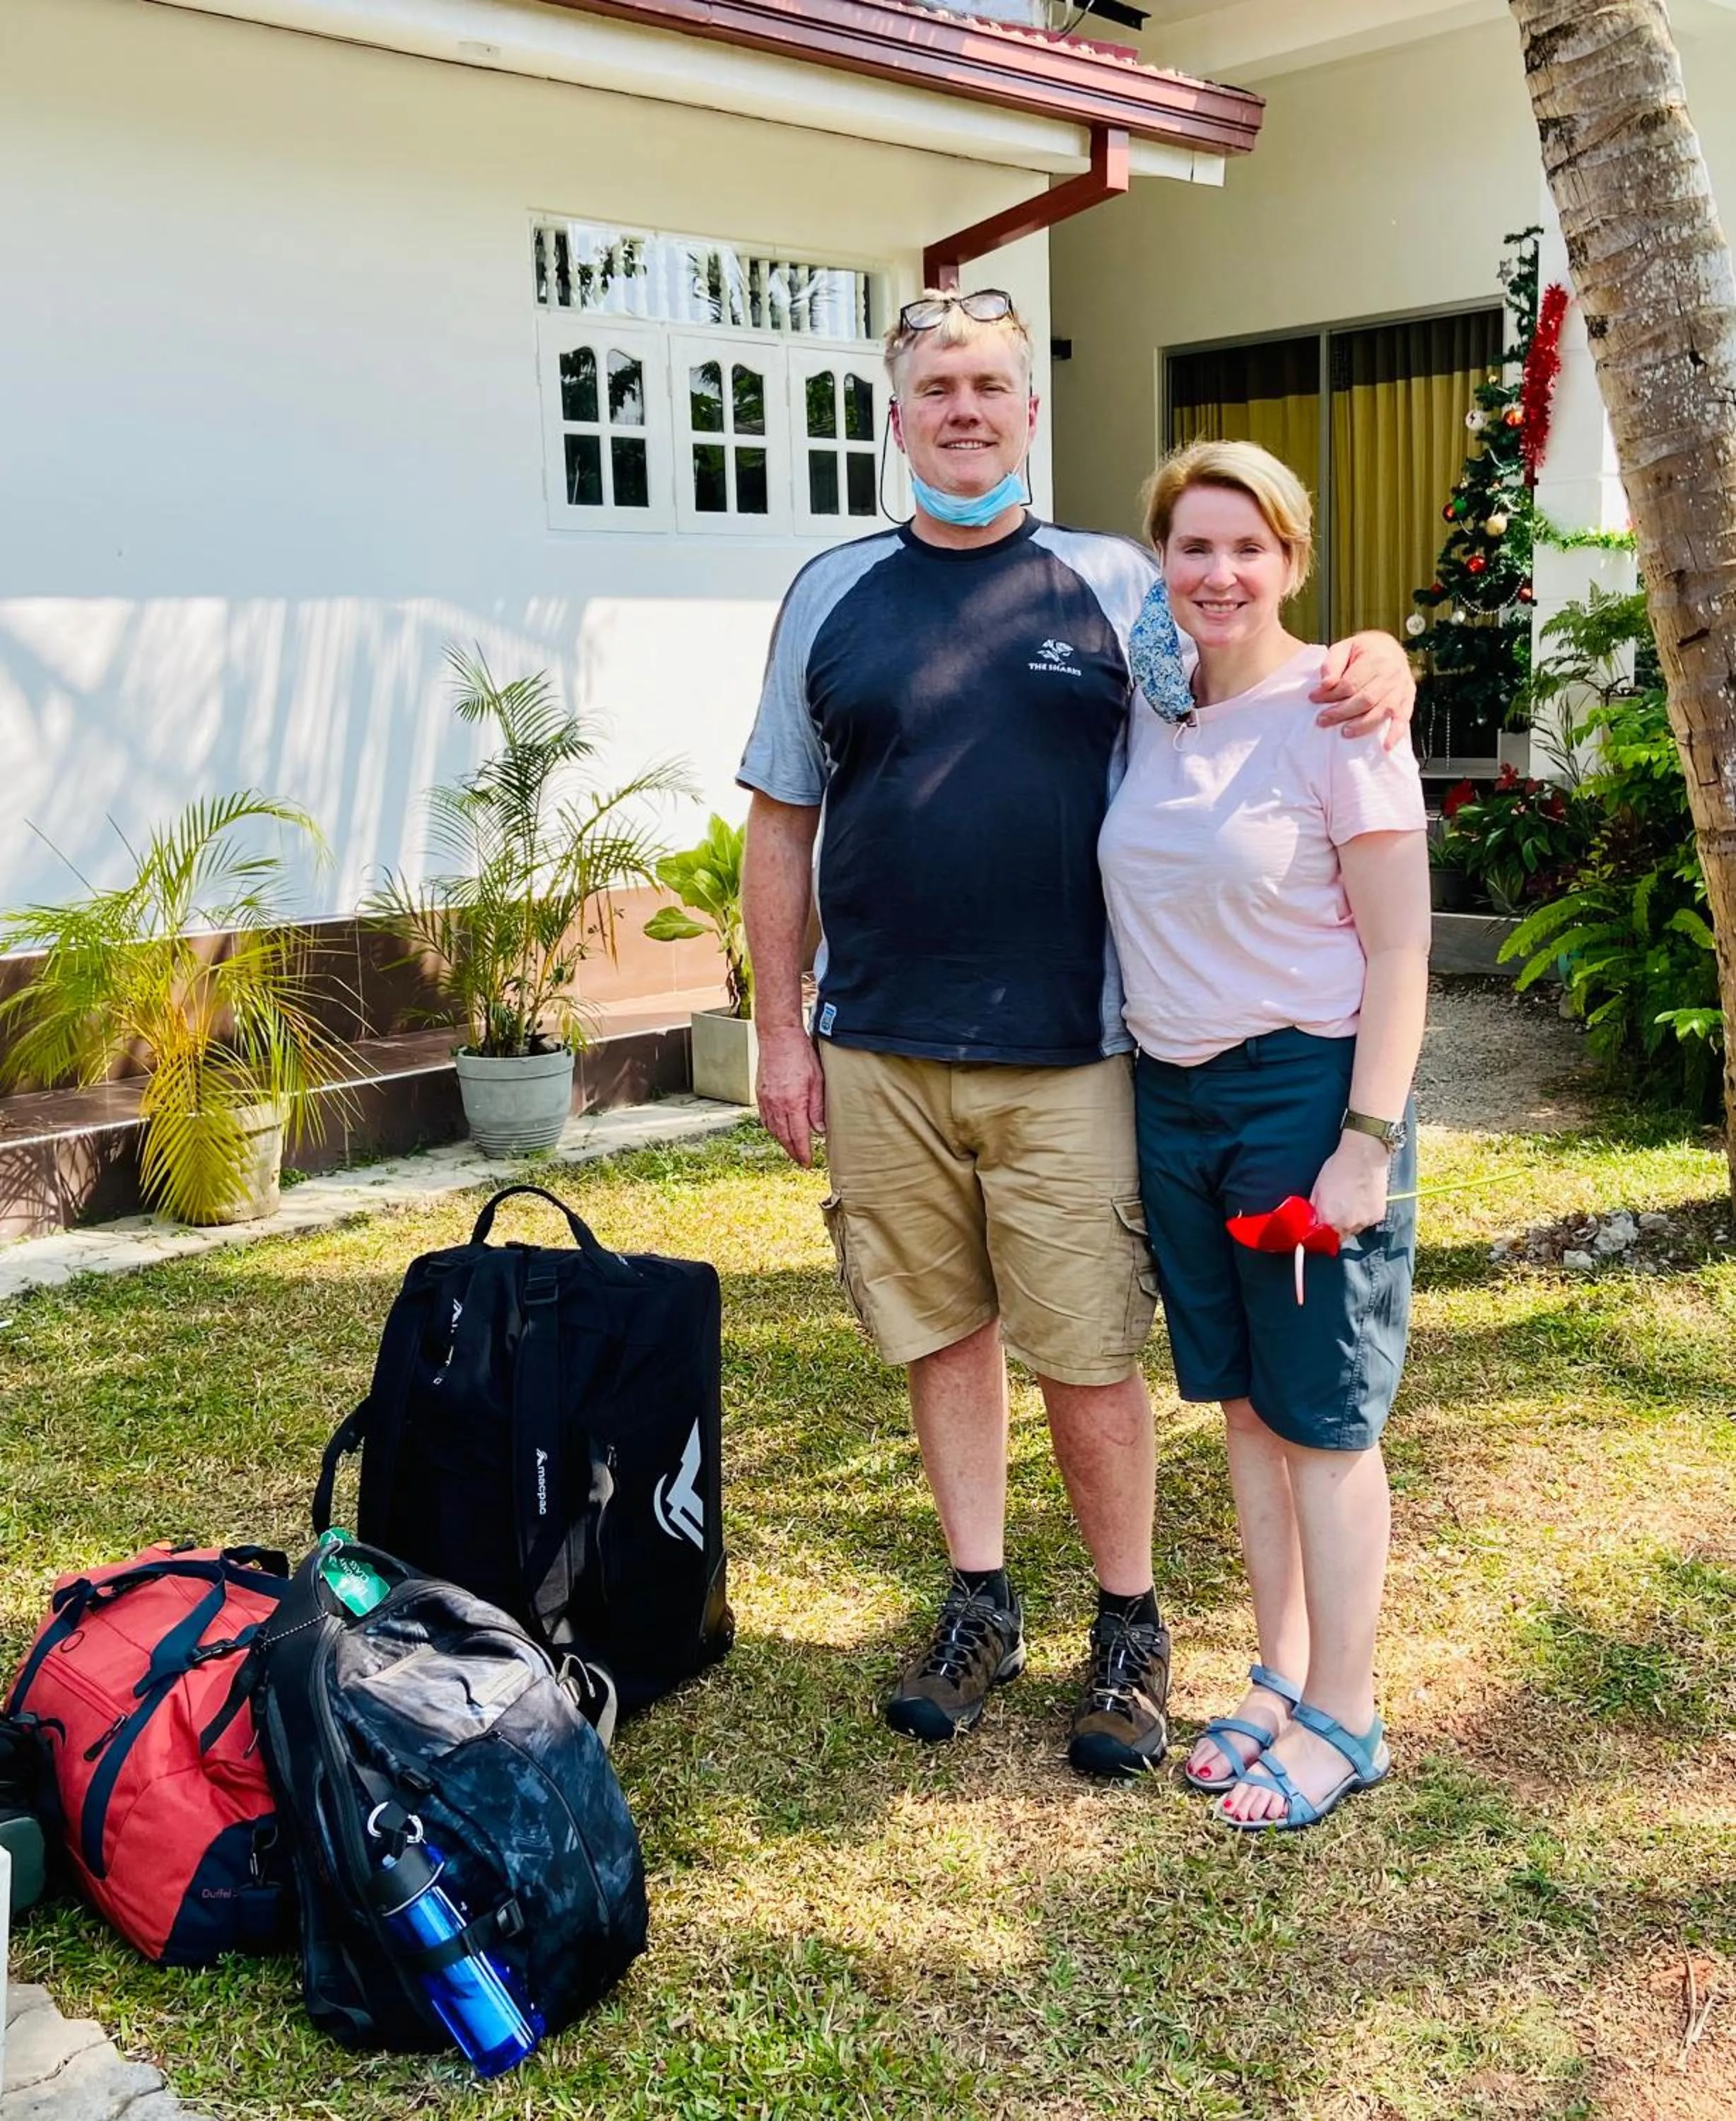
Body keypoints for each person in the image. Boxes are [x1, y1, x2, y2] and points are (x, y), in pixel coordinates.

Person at [737, 289, 1415, 1782]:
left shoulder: (1117, 585)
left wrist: (1377, 656)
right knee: (938, 1332)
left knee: (1086, 1350)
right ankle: (979, 1604)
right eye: (937, 389)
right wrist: (778, 1033)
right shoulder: (828, 593)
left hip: (1071, 1047)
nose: (965, 409)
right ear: (897, 414)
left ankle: (1129, 1629)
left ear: (1028, 414)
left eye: (990, 383)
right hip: (876, 1047)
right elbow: (780, 823)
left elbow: (1258, 670)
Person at [1099, 438, 1430, 1830]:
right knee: (1241, 1407)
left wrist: (1365, 1138)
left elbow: (1404, 946)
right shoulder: (1150, 704)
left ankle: (1347, 1718)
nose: (1219, 572)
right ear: (1160, 563)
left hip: (1300, 1093)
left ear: (1292, 560)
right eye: (1193, 546)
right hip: (1170, 1100)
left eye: (1248, 547)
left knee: (1323, 1418)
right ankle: (1282, 1673)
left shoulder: (1339, 713)